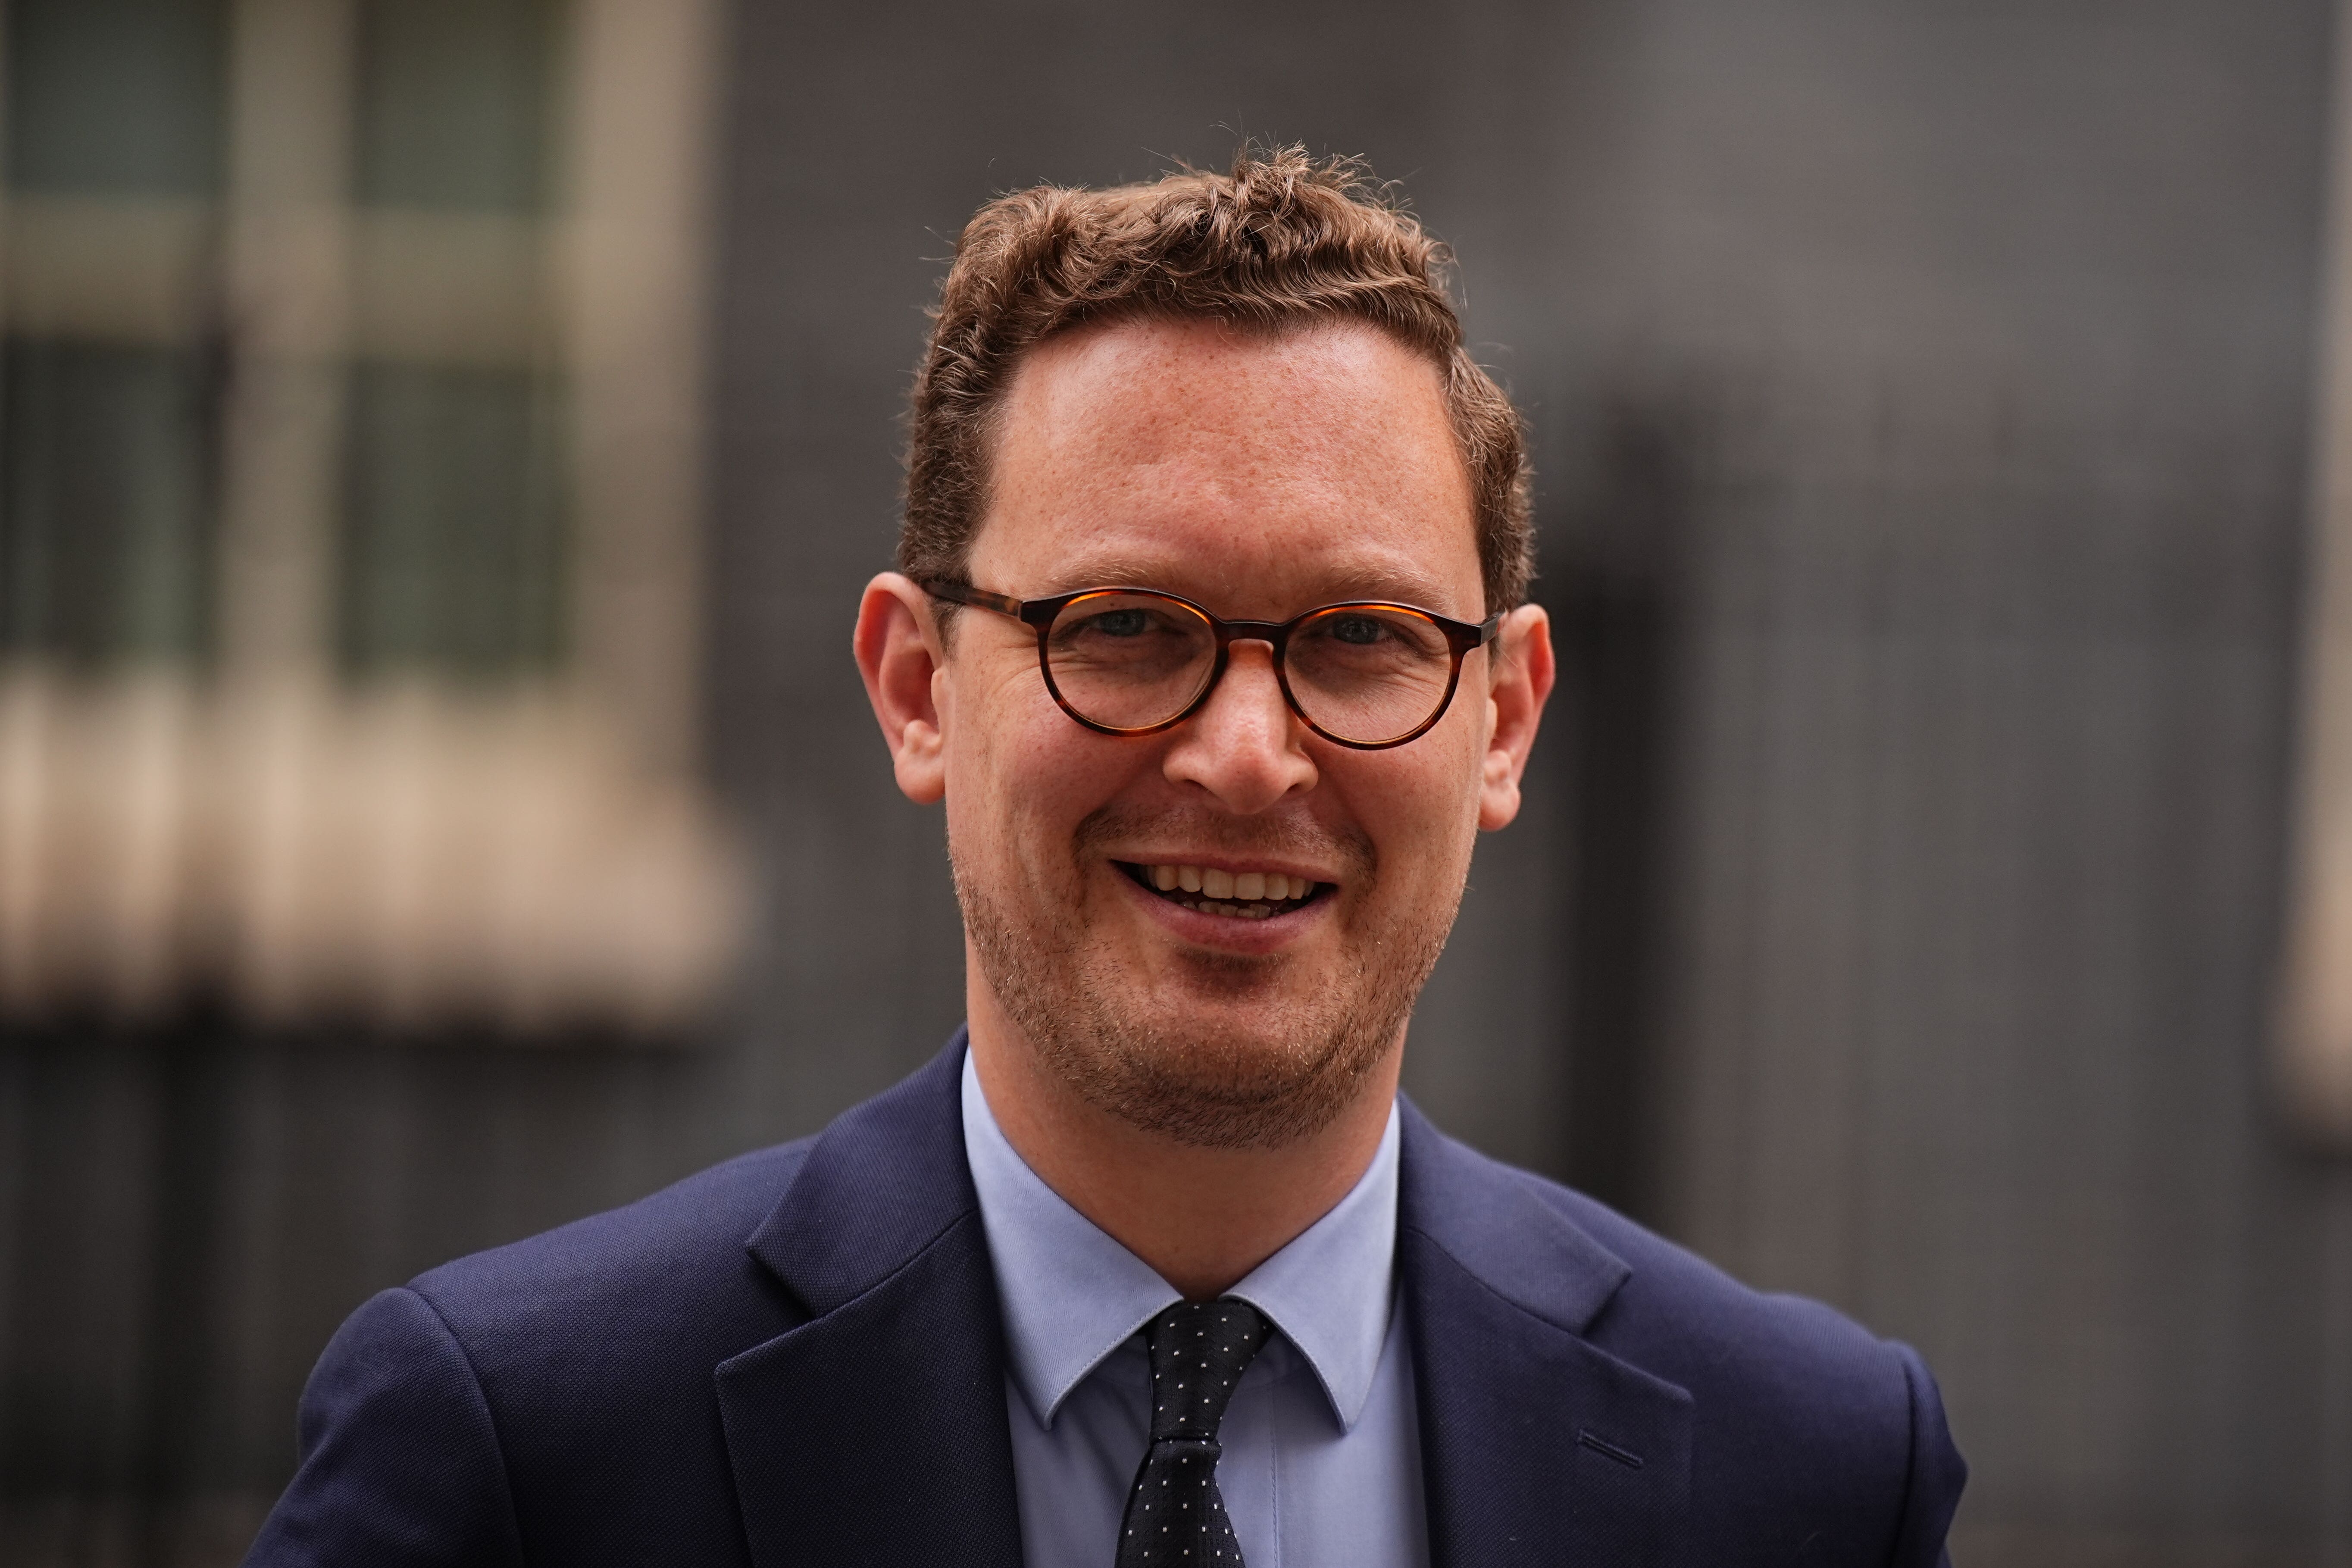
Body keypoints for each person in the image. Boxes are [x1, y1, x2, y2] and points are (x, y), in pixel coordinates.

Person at [243, 148, 1965, 1568]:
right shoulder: (521, 1456)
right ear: (919, 689)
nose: (1240, 751)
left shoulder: (1806, 1479)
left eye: (1359, 634)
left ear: (1500, 718)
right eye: (1129, 624)